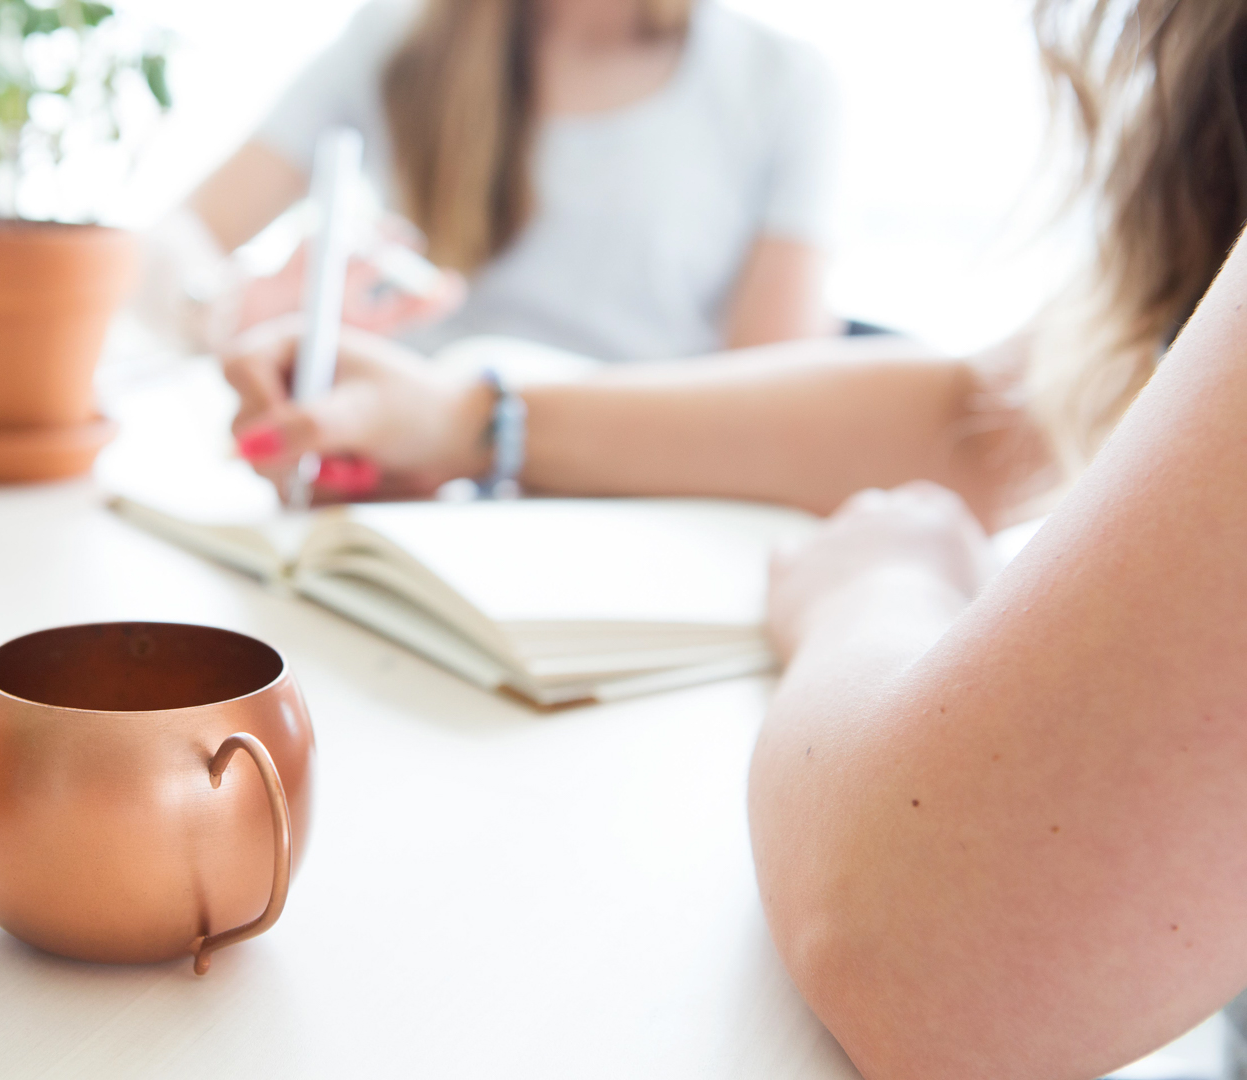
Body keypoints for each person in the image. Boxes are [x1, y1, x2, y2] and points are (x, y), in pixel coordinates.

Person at [224, 0, 1247, 1073]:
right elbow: (989, 417)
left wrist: (877, 585)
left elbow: (933, 950)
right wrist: (470, 420)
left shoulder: (775, 80)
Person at [141, 0, 840, 358]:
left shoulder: (779, 83)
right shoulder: (403, 35)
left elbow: (775, 391)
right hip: (410, 487)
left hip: (645, 505)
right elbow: (169, 244)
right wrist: (226, 311)